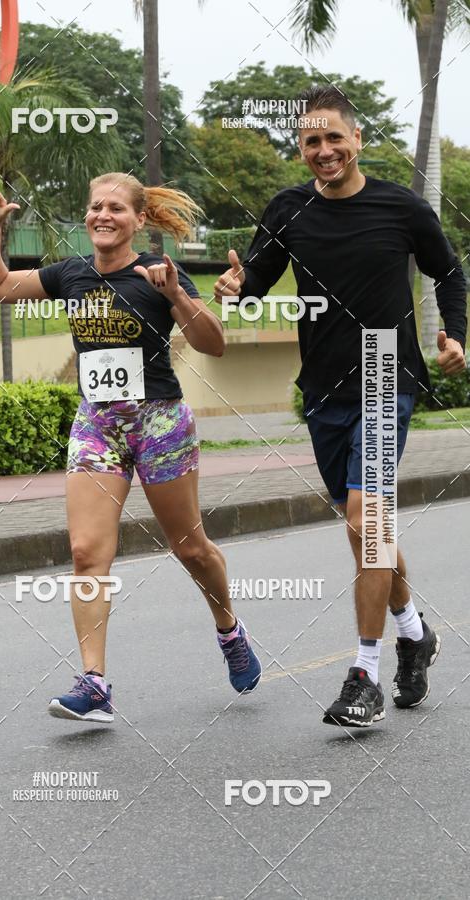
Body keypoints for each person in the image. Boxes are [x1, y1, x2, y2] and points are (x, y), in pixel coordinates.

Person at [214, 86, 467, 728]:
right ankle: (415, 631)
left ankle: (365, 674)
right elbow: (257, 288)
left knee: (365, 521)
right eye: (311, 141)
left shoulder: (401, 207)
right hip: (322, 389)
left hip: (388, 373)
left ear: (358, 140)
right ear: (301, 148)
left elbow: (449, 272)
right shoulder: (287, 209)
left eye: (334, 138)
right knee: (364, 531)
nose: (324, 151)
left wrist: (456, 332)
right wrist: (235, 288)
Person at [0, 171, 262, 723]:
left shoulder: (157, 274)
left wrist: (176, 293)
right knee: (87, 553)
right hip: (97, 424)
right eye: (94, 208)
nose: (102, 216)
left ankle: (229, 629)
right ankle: (95, 684)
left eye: (115, 208)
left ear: (138, 220)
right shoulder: (71, 274)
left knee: (190, 548)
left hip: (159, 422)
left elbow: (214, 345)